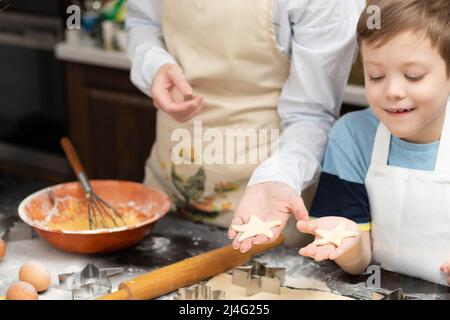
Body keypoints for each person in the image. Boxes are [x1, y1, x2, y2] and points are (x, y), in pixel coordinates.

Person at [126, 0, 365, 244]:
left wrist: (278, 177)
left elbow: (312, 114)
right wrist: (153, 64)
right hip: (166, 194)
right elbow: (142, 21)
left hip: (264, 206)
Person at [297, 0, 450, 286]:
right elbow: (360, 263)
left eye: (413, 76)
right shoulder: (353, 137)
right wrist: (349, 243)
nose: (392, 91)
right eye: (376, 76)